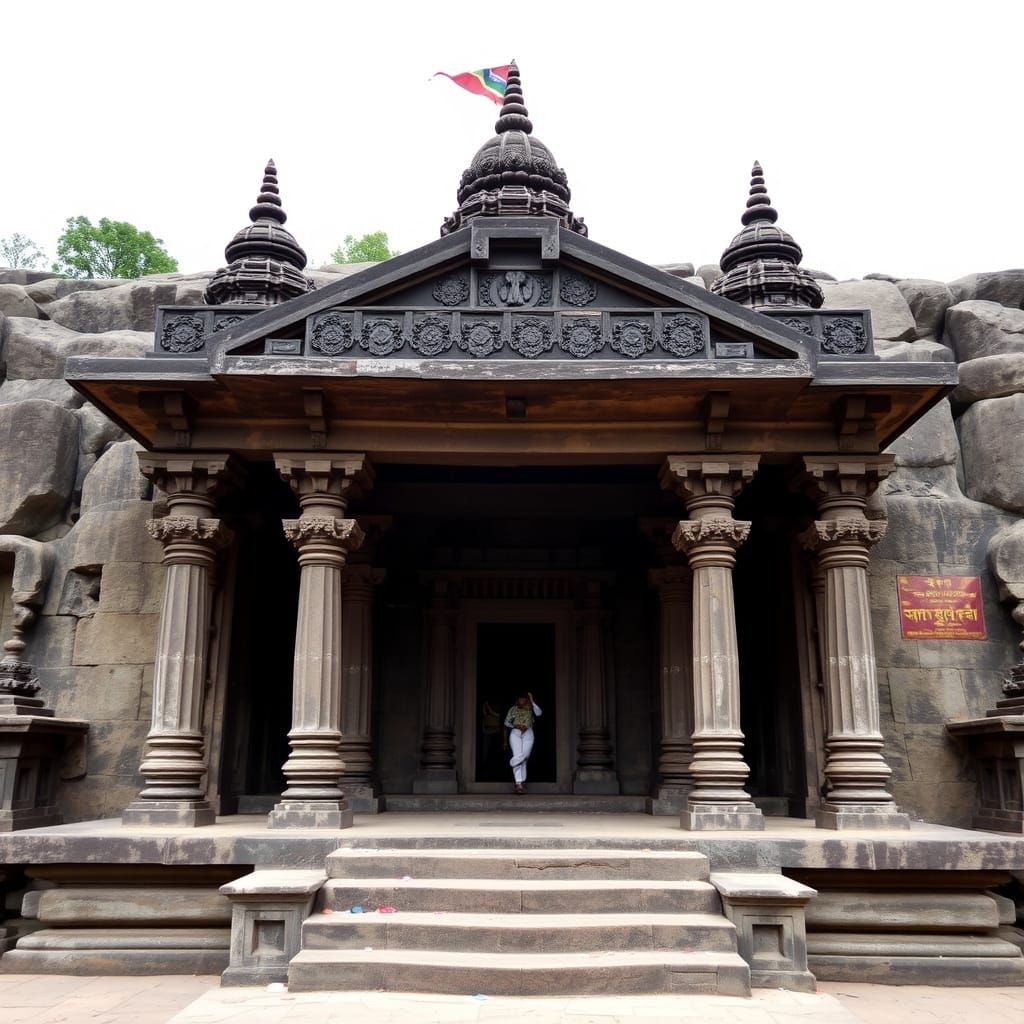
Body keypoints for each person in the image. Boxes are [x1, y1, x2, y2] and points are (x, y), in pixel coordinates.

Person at [503, 691, 542, 794]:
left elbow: (539, 713)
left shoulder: (530, 708)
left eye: (524, 699)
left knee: (525, 756)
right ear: (517, 700)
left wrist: (532, 701)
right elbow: (506, 723)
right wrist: (515, 726)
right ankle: (519, 783)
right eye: (520, 699)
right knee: (518, 755)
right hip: (515, 733)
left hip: (528, 732)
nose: (522, 701)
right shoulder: (513, 709)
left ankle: (513, 762)